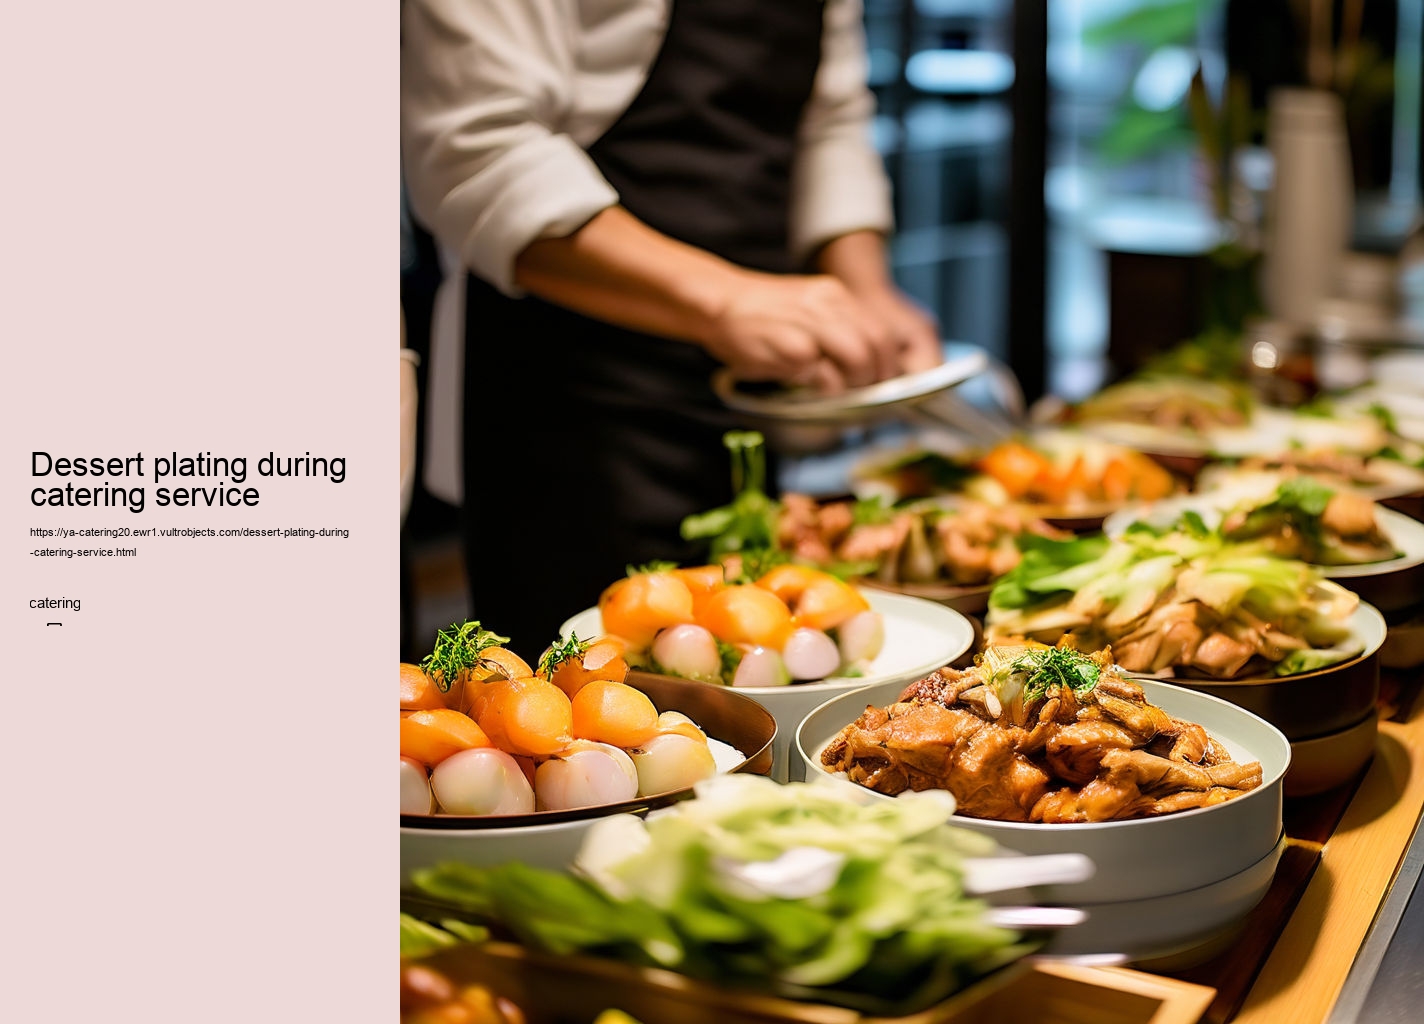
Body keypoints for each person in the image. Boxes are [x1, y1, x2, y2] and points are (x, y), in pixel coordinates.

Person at [400, 0, 944, 661]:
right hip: (570, 400)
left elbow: (828, 120)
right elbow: (477, 152)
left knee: (754, 677)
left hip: (746, 389)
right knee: (586, 720)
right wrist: (725, 302)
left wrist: (865, 290)